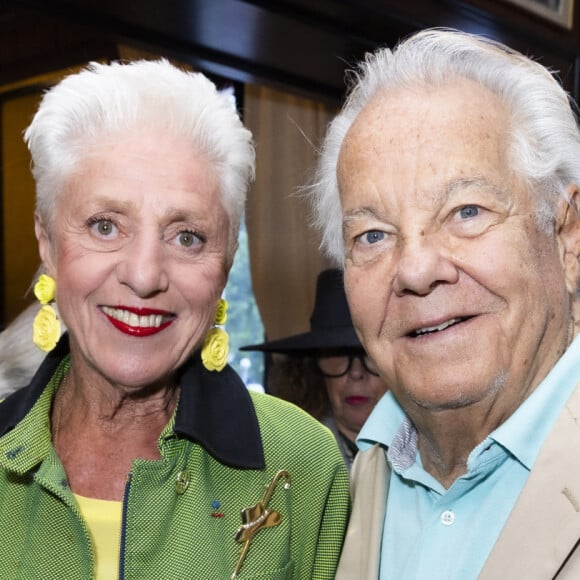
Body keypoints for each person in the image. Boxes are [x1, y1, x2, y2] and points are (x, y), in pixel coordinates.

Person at [0, 59, 349, 579]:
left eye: (187, 237)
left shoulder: (303, 465)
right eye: (104, 225)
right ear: (47, 243)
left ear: (226, 262)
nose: (144, 276)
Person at [311, 28, 580, 579]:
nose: (414, 269)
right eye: (373, 236)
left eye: (466, 212)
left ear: (567, 235)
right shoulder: (333, 492)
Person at [241, 268, 389, 469]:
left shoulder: (431, 456)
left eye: (369, 355)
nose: (356, 373)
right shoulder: (284, 460)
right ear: (314, 366)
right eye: (337, 354)